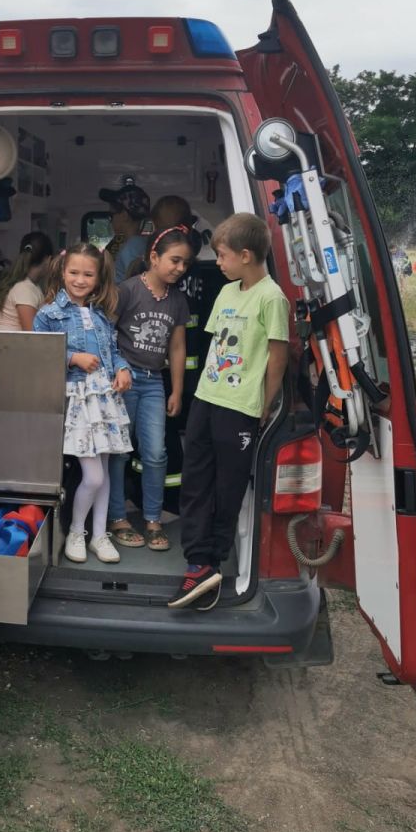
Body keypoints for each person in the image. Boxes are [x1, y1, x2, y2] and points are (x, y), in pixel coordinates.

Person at [169, 213, 290, 610]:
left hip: (240, 408)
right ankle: (196, 561)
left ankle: (214, 560)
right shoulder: (226, 292)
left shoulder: (271, 298)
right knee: (195, 481)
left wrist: (265, 405)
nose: (217, 262)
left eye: (222, 255)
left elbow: (277, 357)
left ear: (246, 255)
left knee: (227, 488)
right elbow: (214, 348)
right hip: (207, 398)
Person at [33, 243, 132, 564]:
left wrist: (123, 369)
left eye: (88, 274)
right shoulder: (48, 314)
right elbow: (37, 353)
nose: (80, 280)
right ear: (62, 272)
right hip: (76, 401)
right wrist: (73, 357)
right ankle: (77, 531)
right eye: (74, 272)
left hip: (104, 401)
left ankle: (99, 535)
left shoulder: (101, 315)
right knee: (94, 477)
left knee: (104, 472)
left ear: (98, 278)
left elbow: (112, 352)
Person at [107, 227, 195, 551]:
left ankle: (153, 520)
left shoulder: (177, 300)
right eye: (175, 260)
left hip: (154, 381)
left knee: (156, 453)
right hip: (124, 381)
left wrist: (177, 391)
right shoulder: (127, 290)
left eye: (185, 263)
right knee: (120, 452)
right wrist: (116, 371)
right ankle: (118, 517)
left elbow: (177, 348)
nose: (180, 268)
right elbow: (106, 335)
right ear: (154, 257)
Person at [0, 231, 53, 330]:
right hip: (12, 340)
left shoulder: (15, 283)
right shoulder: (25, 289)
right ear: (48, 260)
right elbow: (32, 333)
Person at [99, 182, 151, 283]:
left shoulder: (133, 247)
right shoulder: (134, 243)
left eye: (112, 215)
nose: (110, 221)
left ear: (124, 215)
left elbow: (134, 285)